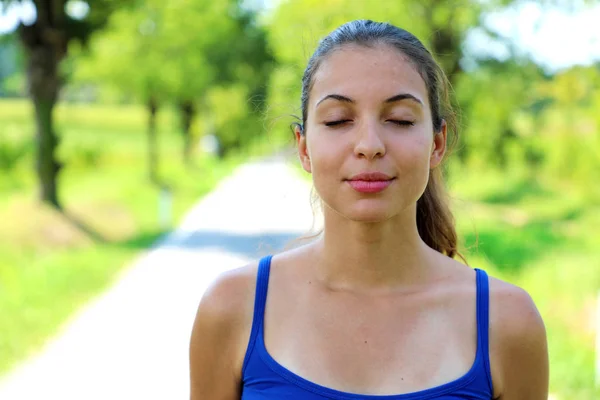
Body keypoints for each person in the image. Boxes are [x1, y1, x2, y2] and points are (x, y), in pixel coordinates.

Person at [189, 20, 549, 400]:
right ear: (304, 147)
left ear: (438, 144)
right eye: (338, 120)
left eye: (400, 120)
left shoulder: (506, 322)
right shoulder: (232, 308)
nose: (369, 145)